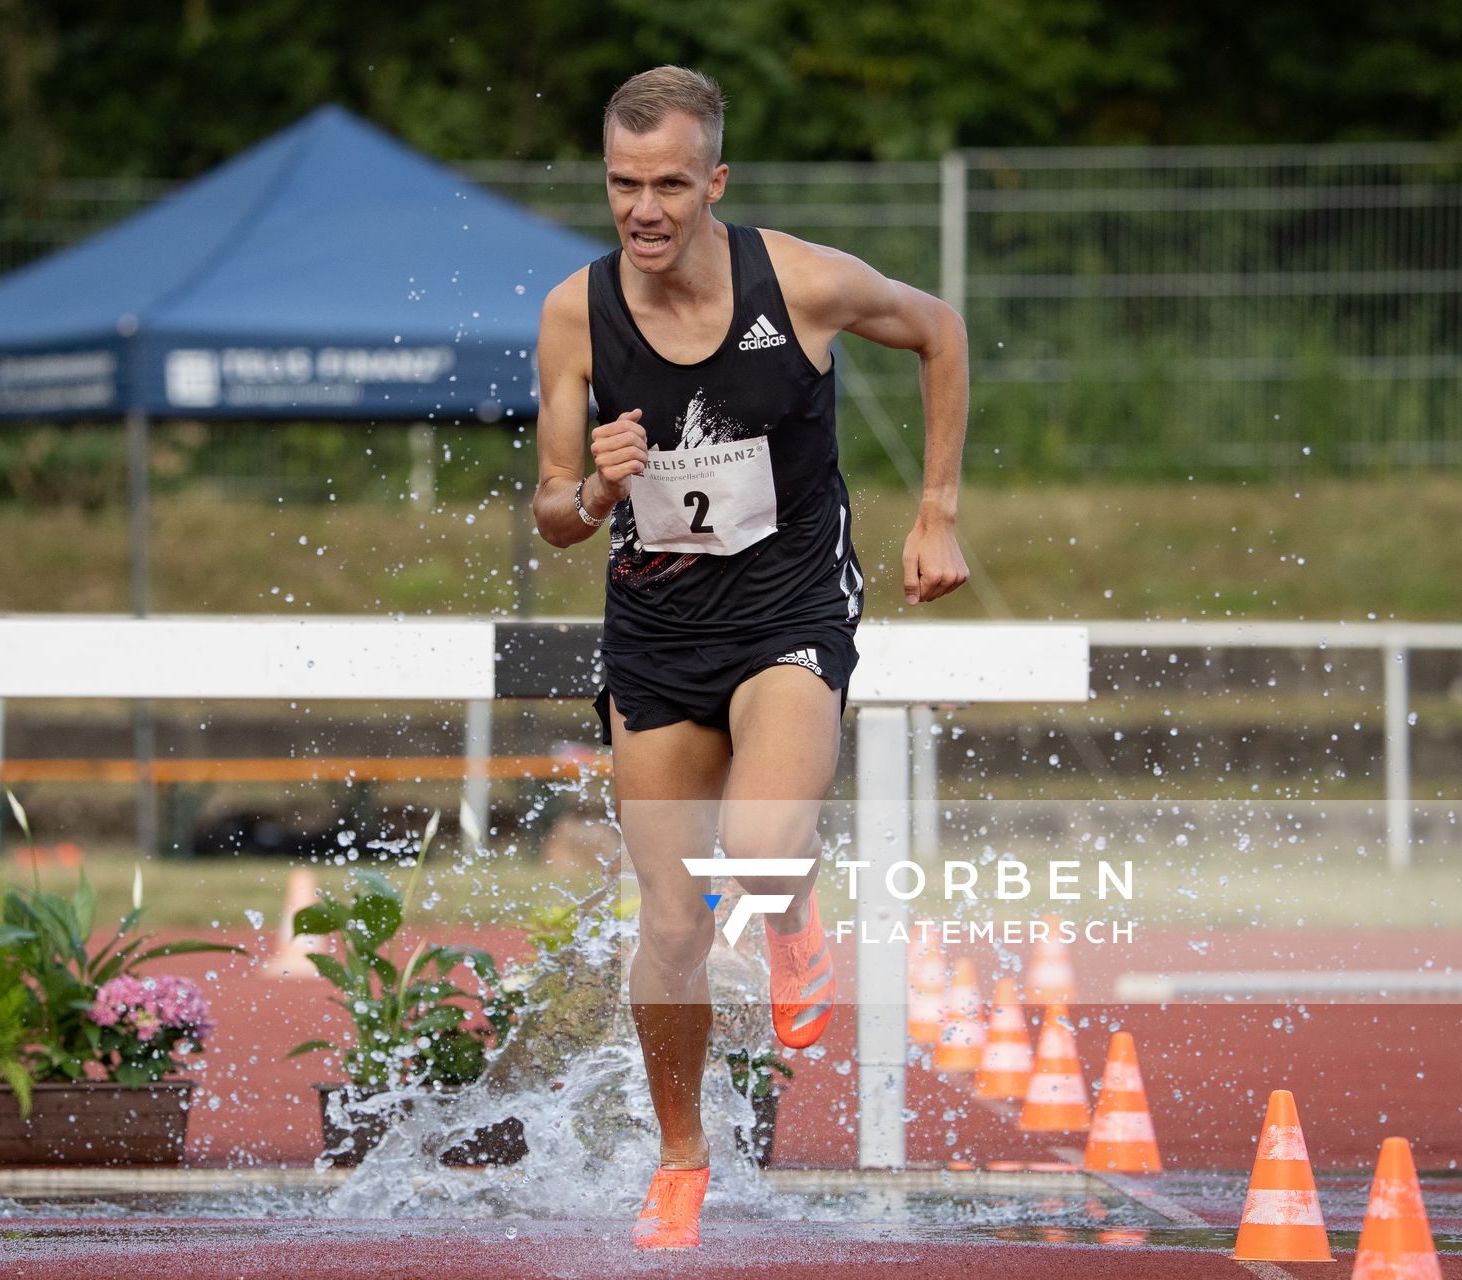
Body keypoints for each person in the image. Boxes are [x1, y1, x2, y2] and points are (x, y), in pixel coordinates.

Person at [531, 65, 970, 1250]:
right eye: (624, 184)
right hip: (658, 637)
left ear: (713, 180)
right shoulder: (577, 313)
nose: (645, 209)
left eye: (670, 182)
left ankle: (791, 917)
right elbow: (551, 511)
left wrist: (936, 508)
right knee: (669, 921)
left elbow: (941, 329)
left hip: (787, 615)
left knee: (767, 845)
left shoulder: (804, 283)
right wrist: (593, 486)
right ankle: (681, 1155)